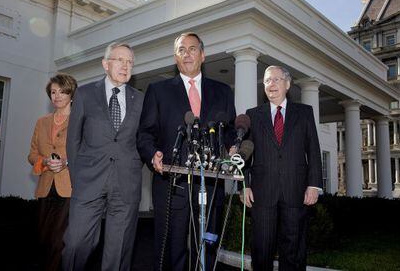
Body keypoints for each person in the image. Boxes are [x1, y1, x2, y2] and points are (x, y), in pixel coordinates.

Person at [137, 32, 236, 271]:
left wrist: (233, 148)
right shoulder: (158, 90)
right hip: (171, 181)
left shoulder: (223, 91)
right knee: (173, 245)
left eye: (192, 49)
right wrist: (152, 154)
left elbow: (231, 130)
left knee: (207, 245)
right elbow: (145, 133)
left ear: (202, 55)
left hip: (211, 182)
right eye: (181, 50)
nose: (187, 54)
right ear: (175, 57)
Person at [62, 42, 144, 271]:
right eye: (120, 60)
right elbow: (73, 140)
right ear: (105, 64)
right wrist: (78, 178)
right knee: (76, 244)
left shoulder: (141, 99)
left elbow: (144, 139)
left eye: (130, 62)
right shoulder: (85, 94)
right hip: (88, 182)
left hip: (126, 183)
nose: (125, 66)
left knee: (117, 254)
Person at [242, 65, 322, 271]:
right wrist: (245, 185)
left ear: (287, 84)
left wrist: (314, 185)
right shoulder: (252, 115)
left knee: (293, 251)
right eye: (267, 80)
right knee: (261, 249)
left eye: (277, 79)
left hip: (296, 191)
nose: (271, 84)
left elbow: (313, 149)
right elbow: (245, 155)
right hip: (262, 193)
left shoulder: (304, 113)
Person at [28, 73, 77, 271]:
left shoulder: (79, 120)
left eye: (62, 92)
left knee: (59, 242)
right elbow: (32, 154)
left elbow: (86, 154)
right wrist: (44, 162)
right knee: (43, 240)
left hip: (70, 190)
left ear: (71, 95)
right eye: (53, 92)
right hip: (45, 188)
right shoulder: (42, 122)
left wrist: (66, 162)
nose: (56, 96)